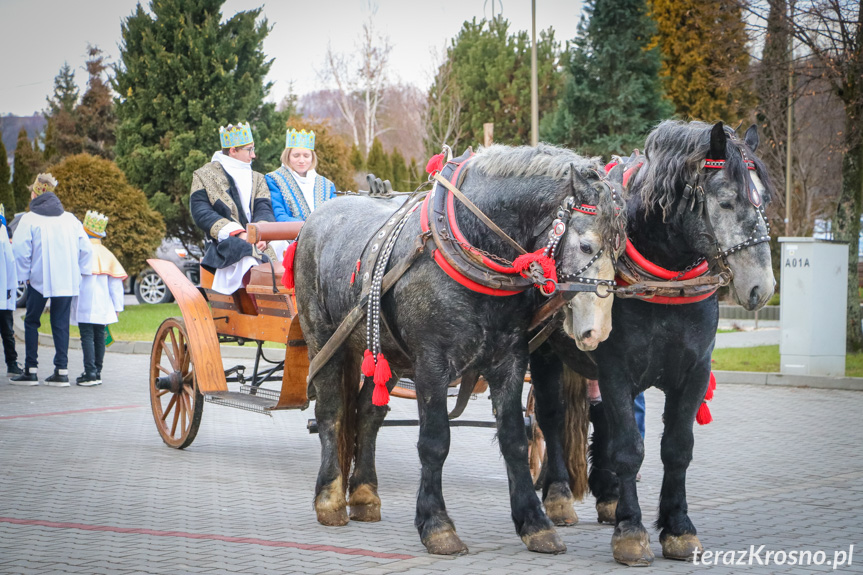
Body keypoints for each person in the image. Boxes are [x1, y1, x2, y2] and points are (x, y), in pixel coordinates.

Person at [10, 173, 93, 386]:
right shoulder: (71, 219)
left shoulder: (29, 219)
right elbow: (86, 248)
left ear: (37, 193)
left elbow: (20, 250)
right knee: (60, 323)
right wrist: (82, 272)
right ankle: (61, 371)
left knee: (31, 321)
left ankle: (30, 369)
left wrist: (23, 276)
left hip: (40, 279)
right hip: (66, 280)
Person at [190, 122, 276, 295]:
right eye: (249, 150)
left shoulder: (257, 178)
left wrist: (262, 235)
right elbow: (201, 213)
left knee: (288, 248)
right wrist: (240, 234)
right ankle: (256, 308)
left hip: (258, 236)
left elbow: (264, 208)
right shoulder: (203, 175)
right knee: (247, 255)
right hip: (222, 241)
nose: (253, 155)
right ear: (233, 150)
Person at [71, 211, 126, 386]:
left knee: (86, 335)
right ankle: (97, 371)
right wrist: (117, 306)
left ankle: (89, 372)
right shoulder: (107, 254)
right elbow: (115, 285)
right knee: (99, 335)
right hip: (102, 304)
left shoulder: (81, 251)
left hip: (84, 302)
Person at [265, 129, 337, 222]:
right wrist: (308, 228)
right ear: (288, 156)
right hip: (290, 235)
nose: (301, 160)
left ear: (312, 157)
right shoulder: (274, 180)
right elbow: (279, 215)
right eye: (296, 156)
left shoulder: (327, 185)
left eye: (306, 156)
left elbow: (334, 217)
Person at [0, 204, 21, 376]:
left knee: (7, 329)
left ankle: (12, 363)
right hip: (3, 292)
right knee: (7, 330)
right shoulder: (3, 236)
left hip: (3, 292)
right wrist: (10, 287)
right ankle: (12, 364)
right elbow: (11, 263)